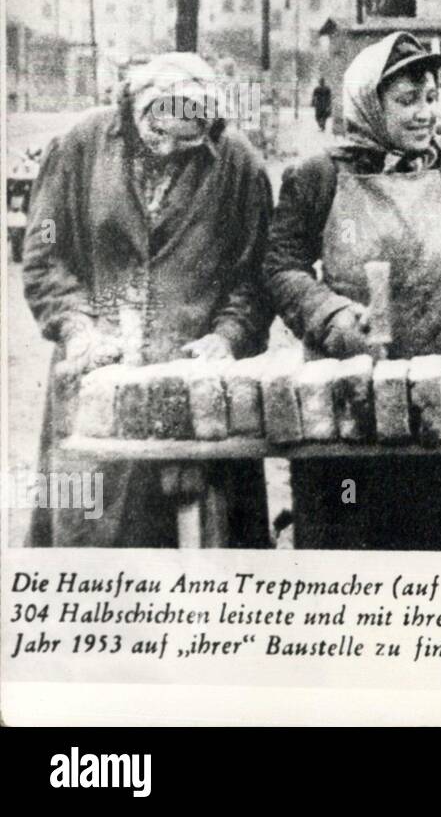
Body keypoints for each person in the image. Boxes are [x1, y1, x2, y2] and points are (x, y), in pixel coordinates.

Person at [264, 32, 441, 550]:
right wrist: (330, 317)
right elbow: (282, 267)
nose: (424, 113)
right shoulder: (319, 177)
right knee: (352, 565)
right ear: (368, 104)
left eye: (431, 97)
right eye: (406, 100)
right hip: (354, 408)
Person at [22, 52, 274, 547]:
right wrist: (77, 327)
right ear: (134, 110)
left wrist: (227, 337)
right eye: (157, 134)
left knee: (202, 551)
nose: (167, 151)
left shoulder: (240, 167)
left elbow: (256, 276)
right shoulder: (78, 148)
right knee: (90, 547)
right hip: (93, 380)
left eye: (187, 140)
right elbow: (44, 254)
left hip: (196, 392)